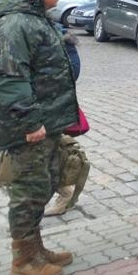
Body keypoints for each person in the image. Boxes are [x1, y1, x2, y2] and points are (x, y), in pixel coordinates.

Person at [0, 0, 79, 275]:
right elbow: (9, 78)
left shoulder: (35, 19)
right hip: (29, 127)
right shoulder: (15, 25)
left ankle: (36, 248)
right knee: (28, 190)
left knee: (45, 183)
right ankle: (24, 260)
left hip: (47, 123)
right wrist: (30, 122)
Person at [44, 27, 90, 216]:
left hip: (46, 108)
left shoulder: (55, 34)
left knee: (47, 154)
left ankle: (64, 194)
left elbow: (72, 72)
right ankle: (64, 193)